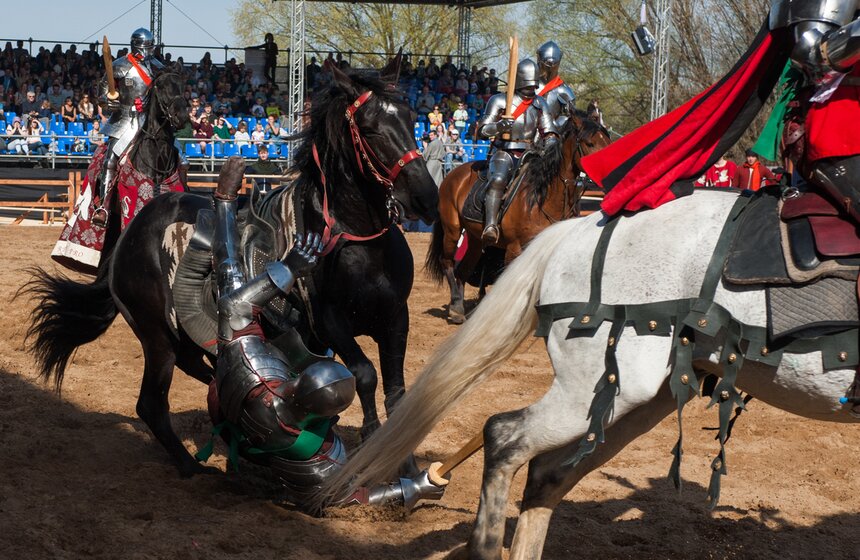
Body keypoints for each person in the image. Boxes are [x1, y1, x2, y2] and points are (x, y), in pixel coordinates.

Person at [476, 58, 559, 244]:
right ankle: (491, 225)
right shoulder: (499, 100)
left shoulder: (540, 103)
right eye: (528, 86)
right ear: (521, 81)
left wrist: (551, 144)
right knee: (498, 180)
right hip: (504, 151)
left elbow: (549, 131)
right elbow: (482, 130)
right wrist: (499, 127)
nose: (531, 90)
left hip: (532, 154)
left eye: (533, 86)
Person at [93, 27, 164, 226]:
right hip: (124, 120)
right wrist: (108, 102)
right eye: (144, 47)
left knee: (180, 160)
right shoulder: (119, 66)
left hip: (152, 122)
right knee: (110, 160)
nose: (147, 51)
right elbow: (102, 93)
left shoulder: (158, 67)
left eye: (150, 47)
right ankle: (103, 208)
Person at [535, 41, 577, 128]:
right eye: (546, 64)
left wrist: (554, 124)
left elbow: (568, 116)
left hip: (552, 134)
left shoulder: (564, 91)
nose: (549, 68)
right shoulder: (530, 85)